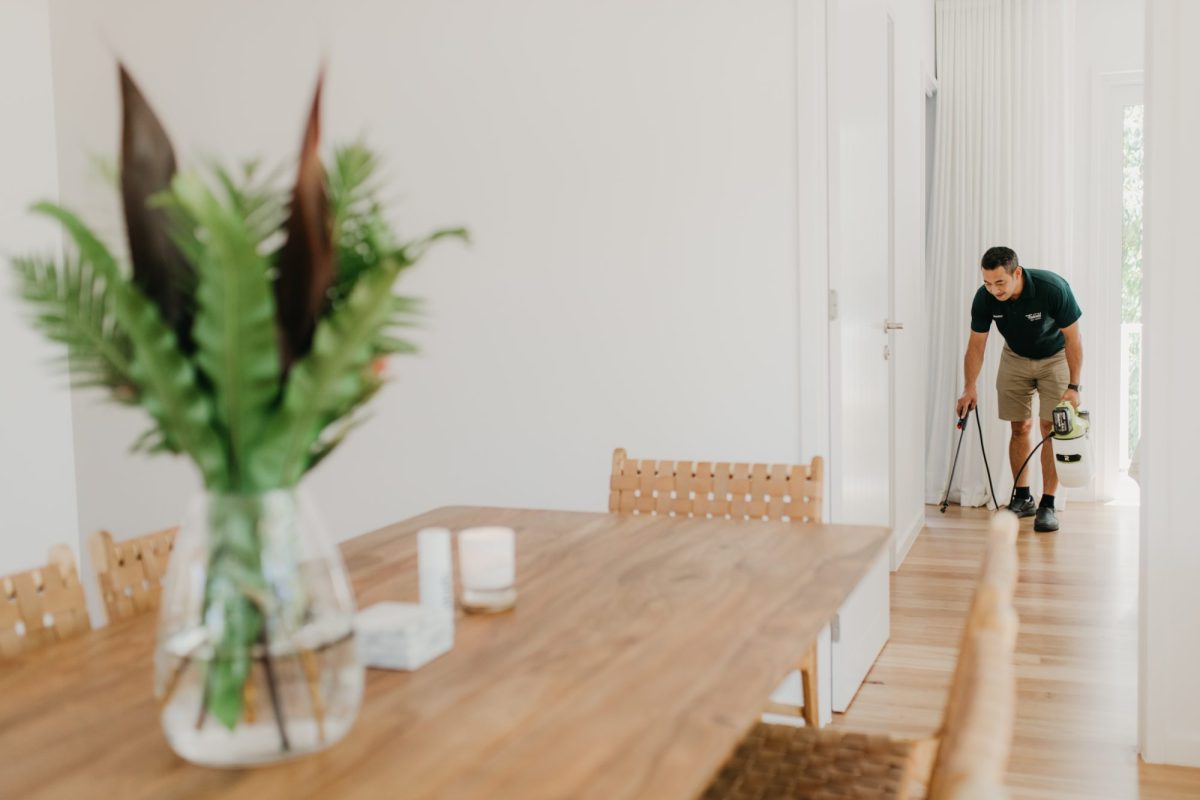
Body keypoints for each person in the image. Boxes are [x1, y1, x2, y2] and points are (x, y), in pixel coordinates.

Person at [955, 246, 1083, 532]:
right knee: (1019, 427)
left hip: (1054, 357)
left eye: (1000, 282)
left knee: (1050, 428)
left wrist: (1074, 386)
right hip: (1014, 357)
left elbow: (1073, 339)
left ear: (1017, 273)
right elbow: (976, 345)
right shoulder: (984, 298)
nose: (994, 290)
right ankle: (1023, 498)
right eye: (988, 283)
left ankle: (1047, 503)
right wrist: (969, 387)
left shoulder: (1052, 288)